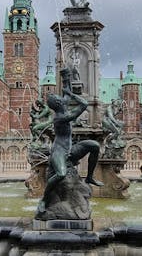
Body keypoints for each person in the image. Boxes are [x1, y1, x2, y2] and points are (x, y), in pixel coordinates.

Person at [37, 86, 103, 214]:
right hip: (59, 151)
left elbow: (66, 95)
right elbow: (84, 104)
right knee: (61, 174)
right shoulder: (60, 117)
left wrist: (66, 77)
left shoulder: (63, 107)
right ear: (58, 104)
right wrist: (71, 93)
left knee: (94, 146)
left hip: (70, 149)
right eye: (59, 99)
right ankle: (44, 199)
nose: (62, 99)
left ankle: (89, 177)